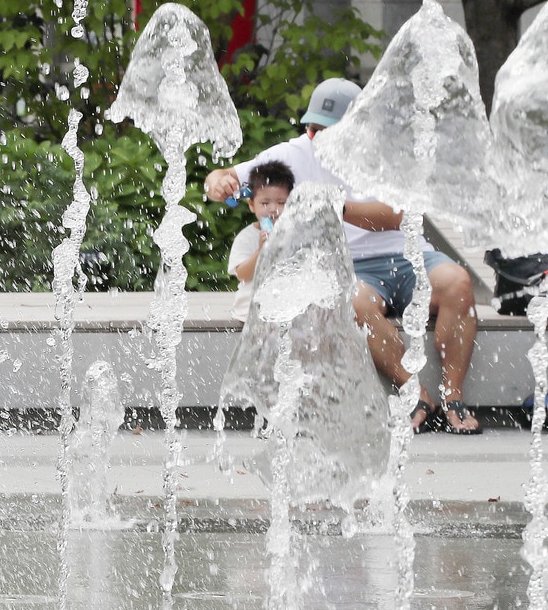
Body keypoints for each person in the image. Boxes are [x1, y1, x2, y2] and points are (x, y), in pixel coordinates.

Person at [204, 78, 481, 434]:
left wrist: (337, 206)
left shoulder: (387, 154)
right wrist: (219, 183)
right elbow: (224, 178)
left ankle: (453, 396)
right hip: (354, 269)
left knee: (458, 280)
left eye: (330, 131)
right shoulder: (292, 154)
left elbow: (396, 216)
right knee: (352, 304)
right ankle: (415, 392)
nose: (319, 138)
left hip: (409, 256)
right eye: (313, 129)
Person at [227, 160, 294, 322]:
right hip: (250, 312)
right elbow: (242, 274)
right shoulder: (247, 237)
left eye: (281, 203)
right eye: (265, 203)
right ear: (251, 205)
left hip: (286, 310)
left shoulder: (294, 233)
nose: (273, 209)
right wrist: (260, 251)